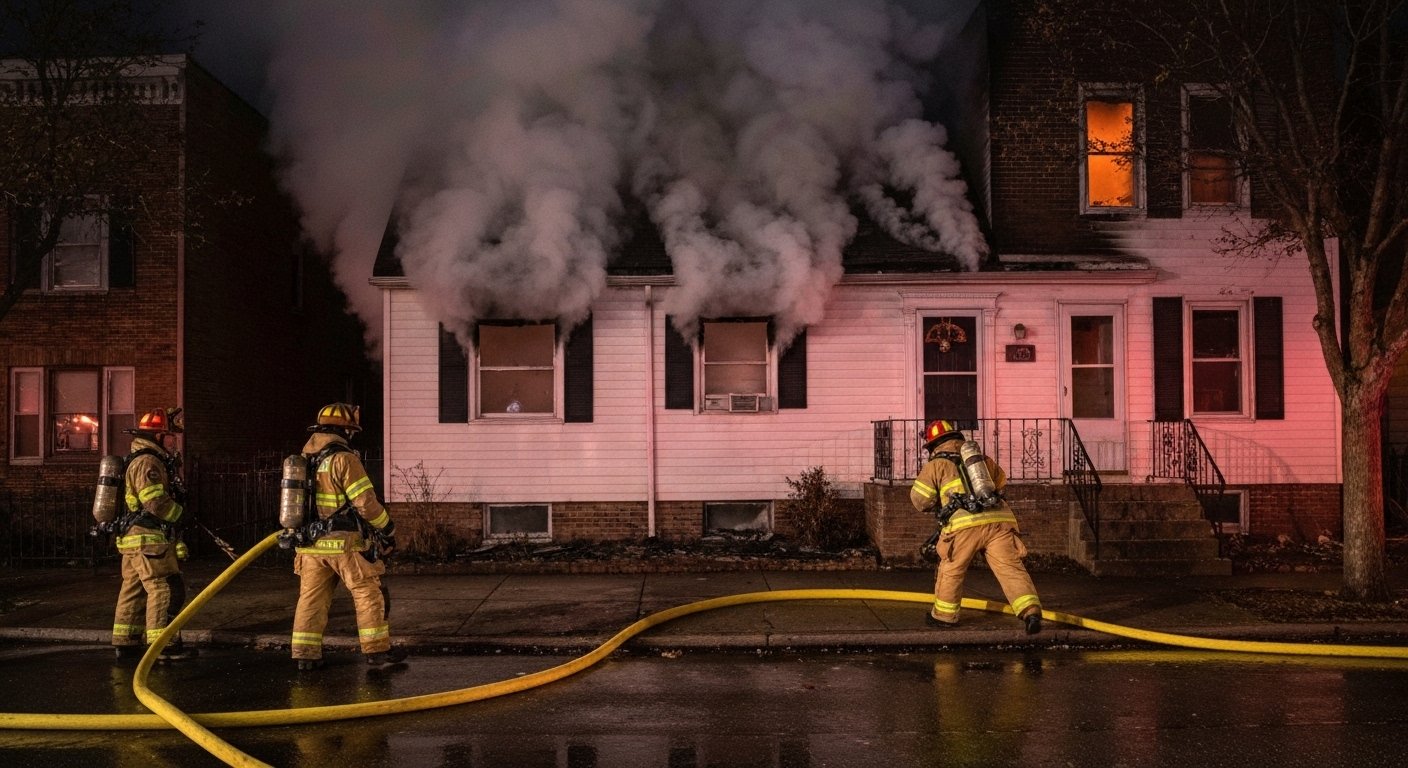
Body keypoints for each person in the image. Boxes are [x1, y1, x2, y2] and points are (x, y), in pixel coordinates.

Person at [290, 402, 406, 670]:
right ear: (345, 431)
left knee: (311, 599)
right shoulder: (344, 458)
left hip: (309, 546)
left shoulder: (304, 459)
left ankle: (304, 656)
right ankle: (376, 651)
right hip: (344, 545)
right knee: (367, 593)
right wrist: (387, 528)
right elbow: (365, 502)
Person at [909, 419, 1043, 634]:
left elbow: (919, 500)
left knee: (951, 570)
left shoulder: (936, 465)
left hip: (964, 525)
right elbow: (1000, 483)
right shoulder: (981, 460)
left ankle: (944, 616)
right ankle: (1031, 611)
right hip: (999, 522)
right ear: (956, 438)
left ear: (933, 446)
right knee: (1010, 569)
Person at [111, 407, 196, 661]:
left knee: (134, 590)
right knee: (166, 588)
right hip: (148, 539)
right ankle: (164, 646)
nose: (174, 441)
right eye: (171, 436)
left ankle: (125, 642)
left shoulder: (142, 458)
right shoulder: (148, 462)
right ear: (159, 437)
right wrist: (180, 515)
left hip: (135, 539)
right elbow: (155, 502)